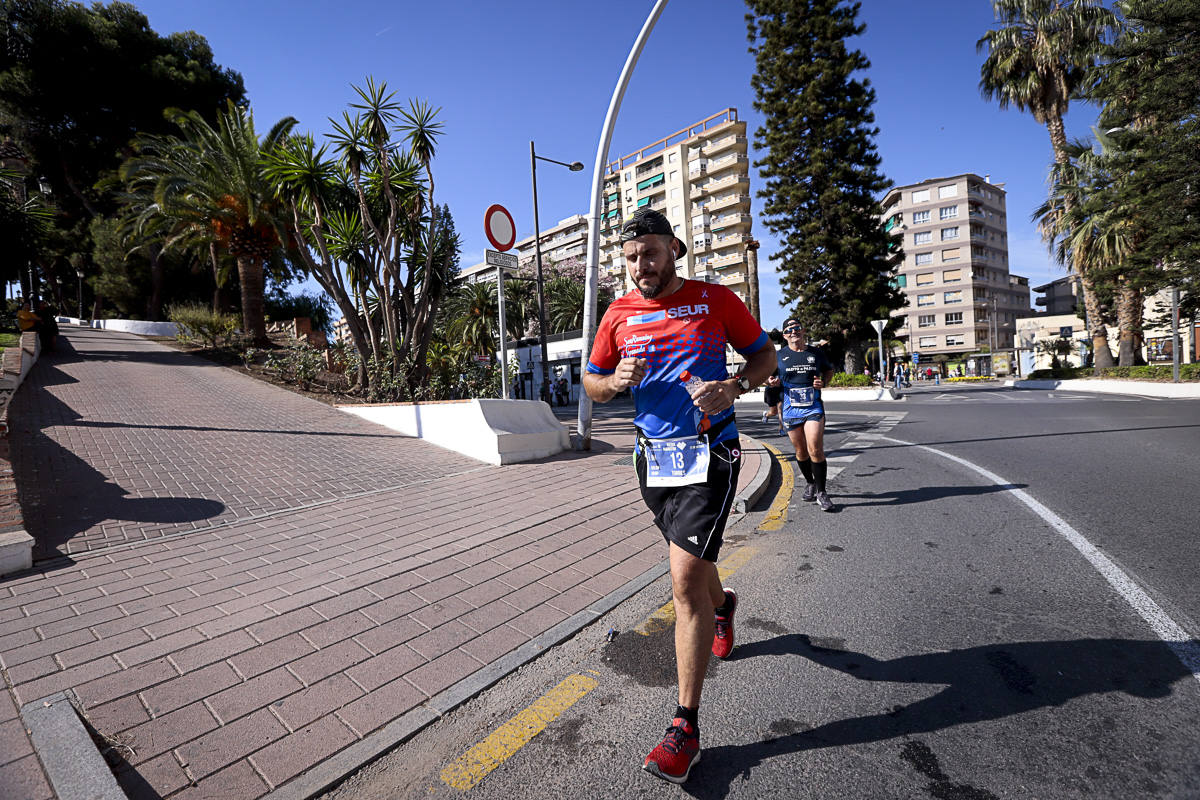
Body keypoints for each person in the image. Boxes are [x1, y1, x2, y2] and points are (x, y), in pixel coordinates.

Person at [583, 208, 775, 784]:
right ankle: (725, 607)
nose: (642, 264)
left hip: (712, 454)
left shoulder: (716, 300)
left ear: (674, 250)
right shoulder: (617, 314)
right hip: (653, 461)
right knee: (697, 566)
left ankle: (684, 727)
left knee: (683, 578)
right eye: (632, 256)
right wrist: (615, 383)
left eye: (651, 252)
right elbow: (593, 379)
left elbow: (766, 357)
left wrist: (736, 386)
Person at [777, 317, 836, 512]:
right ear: (784, 335)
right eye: (789, 330)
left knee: (815, 449)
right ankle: (810, 483)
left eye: (797, 328)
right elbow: (769, 376)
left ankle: (821, 492)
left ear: (803, 332)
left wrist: (823, 383)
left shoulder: (816, 353)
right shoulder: (778, 356)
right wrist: (770, 381)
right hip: (790, 408)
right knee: (801, 451)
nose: (794, 332)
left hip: (813, 407)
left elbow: (829, 370)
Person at [761, 369, 784, 435]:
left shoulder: (783, 365)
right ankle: (766, 415)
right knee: (774, 412)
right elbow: (763, 381)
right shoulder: (770, 366)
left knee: (780, 411)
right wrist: (769, 382)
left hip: (780, 390)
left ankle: (781, 429)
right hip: (770, 391)